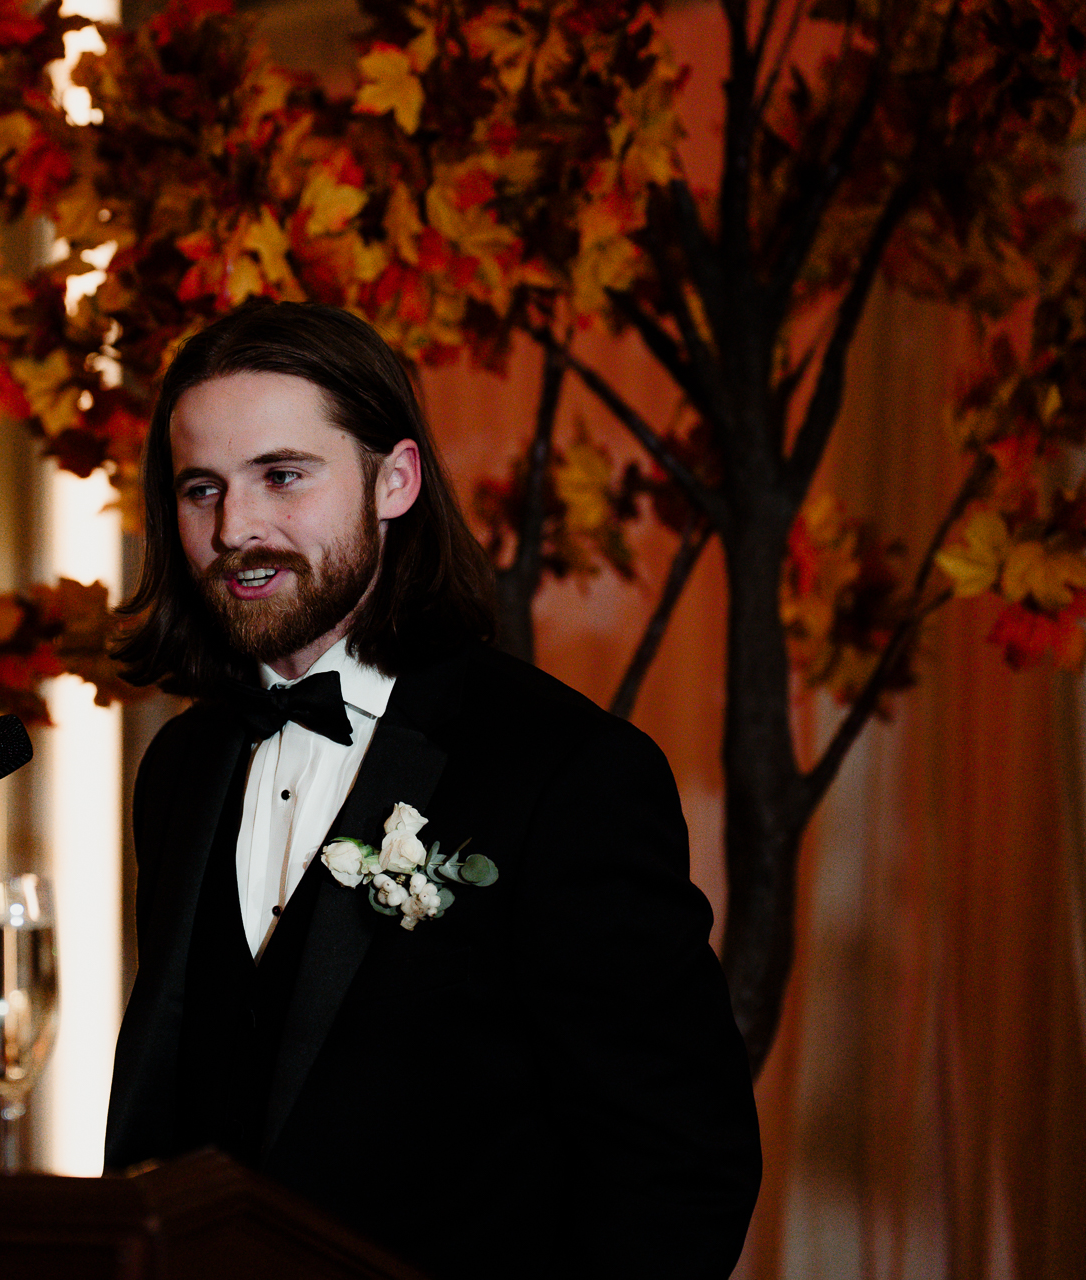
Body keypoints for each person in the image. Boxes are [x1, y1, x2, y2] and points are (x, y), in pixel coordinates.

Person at [102, 301, 761, 1278]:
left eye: (282, 475)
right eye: (202, 488)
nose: (234, 526)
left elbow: (679, 1164)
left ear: (395, 480)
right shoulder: (180, 768)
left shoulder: (568, 771)